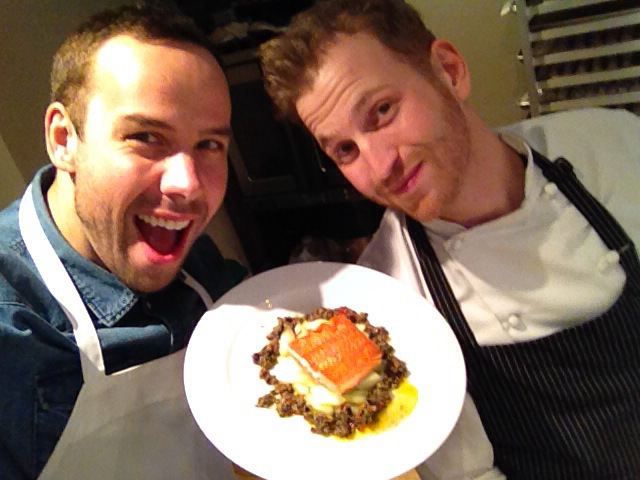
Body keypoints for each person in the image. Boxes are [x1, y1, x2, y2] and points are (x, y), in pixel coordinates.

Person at [259, 0, 640, 478]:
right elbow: (470, 473)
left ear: (450, 71)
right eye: (345, 150)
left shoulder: (615, 144)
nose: (380, 167)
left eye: (382, 110)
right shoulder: (388, 292)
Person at [0, 4, 247, 479]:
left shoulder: (200, 263)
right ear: (63, 139)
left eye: (209, 145)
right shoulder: (11, 333)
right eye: (146, 136)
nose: (188, 185)